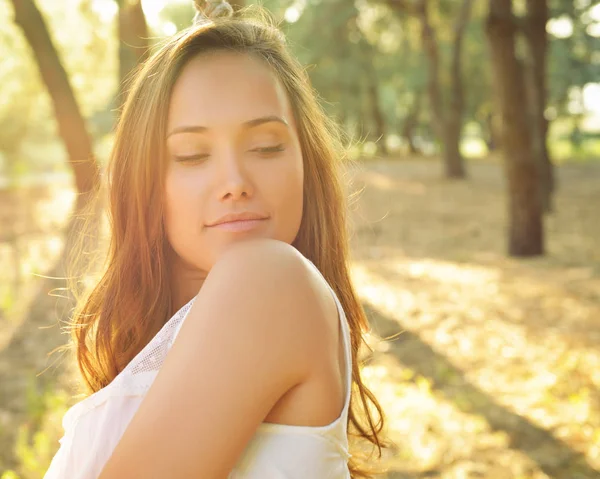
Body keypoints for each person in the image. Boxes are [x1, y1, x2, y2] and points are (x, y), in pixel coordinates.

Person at [44, 1, 387, 477]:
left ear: (305, 163)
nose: (235, 181)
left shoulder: (270, 280)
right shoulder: (160, 345)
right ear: (143, 181)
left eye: (266, 147)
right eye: (190, 155)